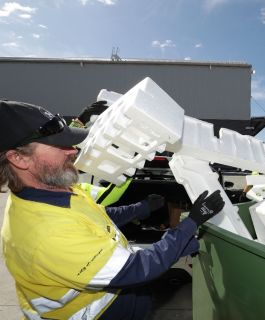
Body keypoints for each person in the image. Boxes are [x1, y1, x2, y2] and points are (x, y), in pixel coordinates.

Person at [0, 100, 225, 319]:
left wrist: (142, 207)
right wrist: (189, 224)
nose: (72, 152)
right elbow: (137, 268)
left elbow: (96, 219)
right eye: (60, 145)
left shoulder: (54, 189)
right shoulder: (45, 233)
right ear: (19, 158)